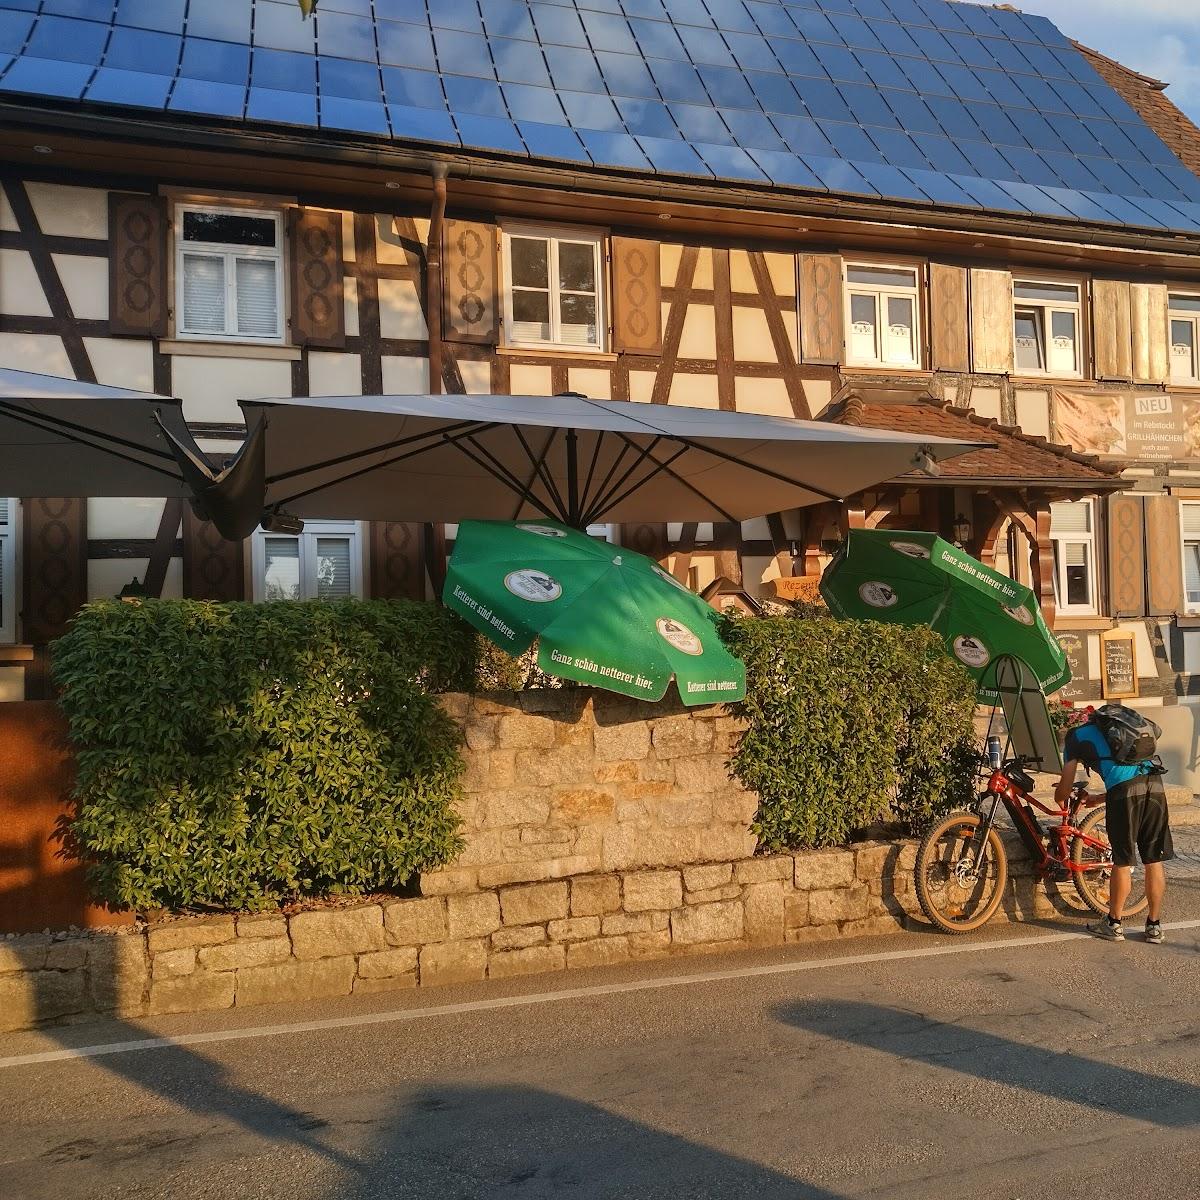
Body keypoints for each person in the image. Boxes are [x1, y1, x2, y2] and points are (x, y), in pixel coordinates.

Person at [1054, 713, 1173, 943]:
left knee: (1122, 860)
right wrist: (1100, 798)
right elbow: (1132, 775)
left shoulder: (1074, 737)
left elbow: (1064, 789)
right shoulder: (1118, 731)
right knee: (1153, 859)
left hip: (1124, 793)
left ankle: (1114, 923)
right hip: (1155, 786)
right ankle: (1154, 926)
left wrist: (1059, 796)